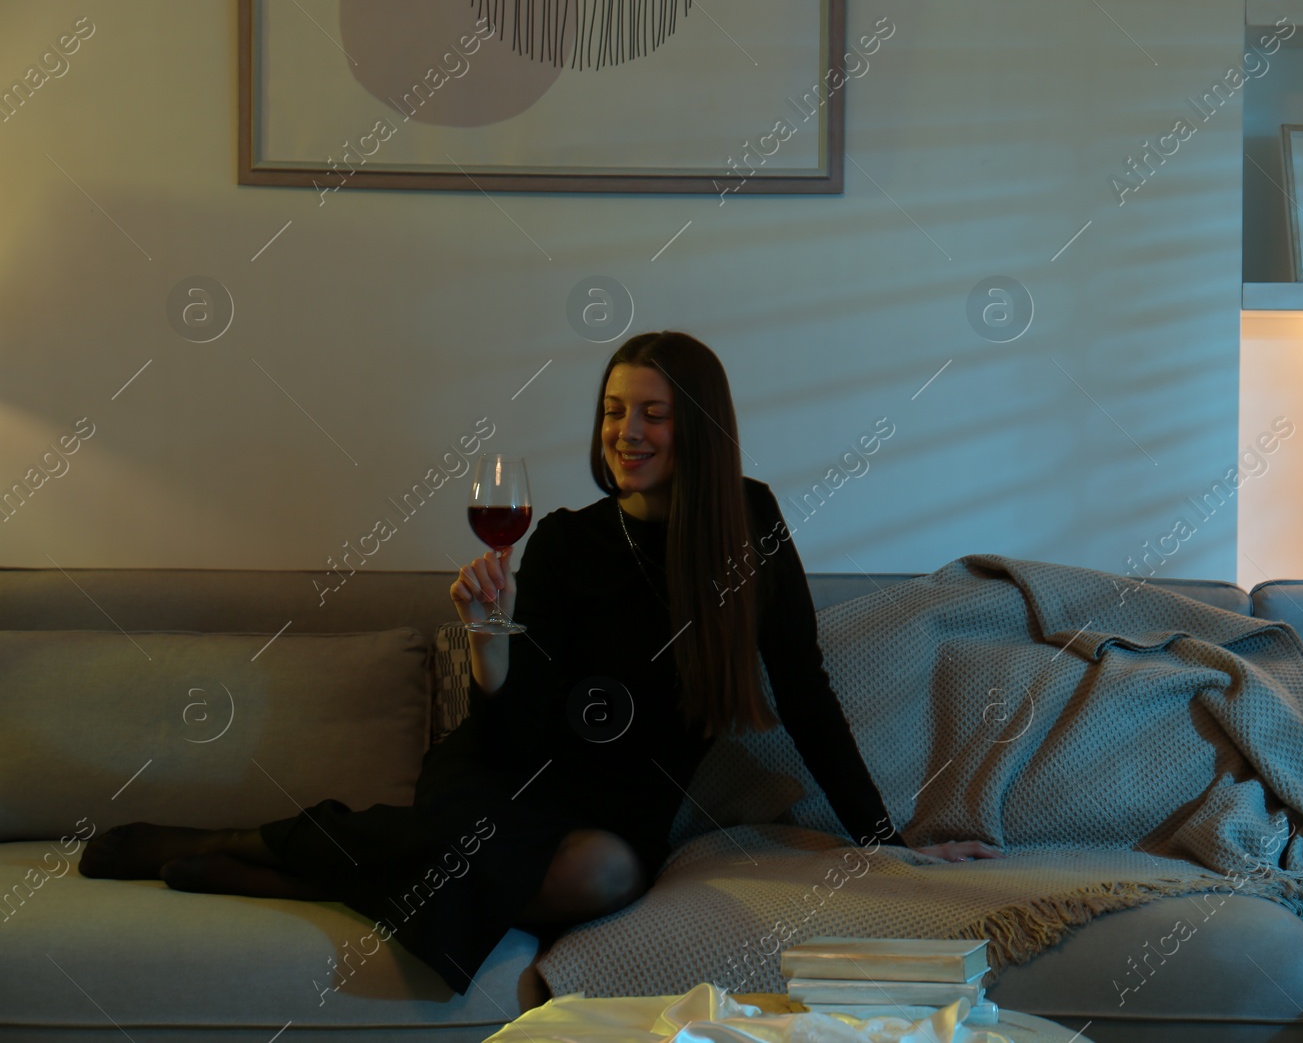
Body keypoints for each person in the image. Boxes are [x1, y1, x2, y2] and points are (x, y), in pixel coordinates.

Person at [79, 330, 1001, 1006]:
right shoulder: (563, 543)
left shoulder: (748, 527)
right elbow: (522, 732)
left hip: (619, 806)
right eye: (612, 411)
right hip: (506, 773)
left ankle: (297, 863)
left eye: (651, 413)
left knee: (602, 876)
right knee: (489, 842)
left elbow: (804, 688)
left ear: (699, 428)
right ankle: (250, 844)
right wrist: (488, 639)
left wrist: (885, 838)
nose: (625, 432)